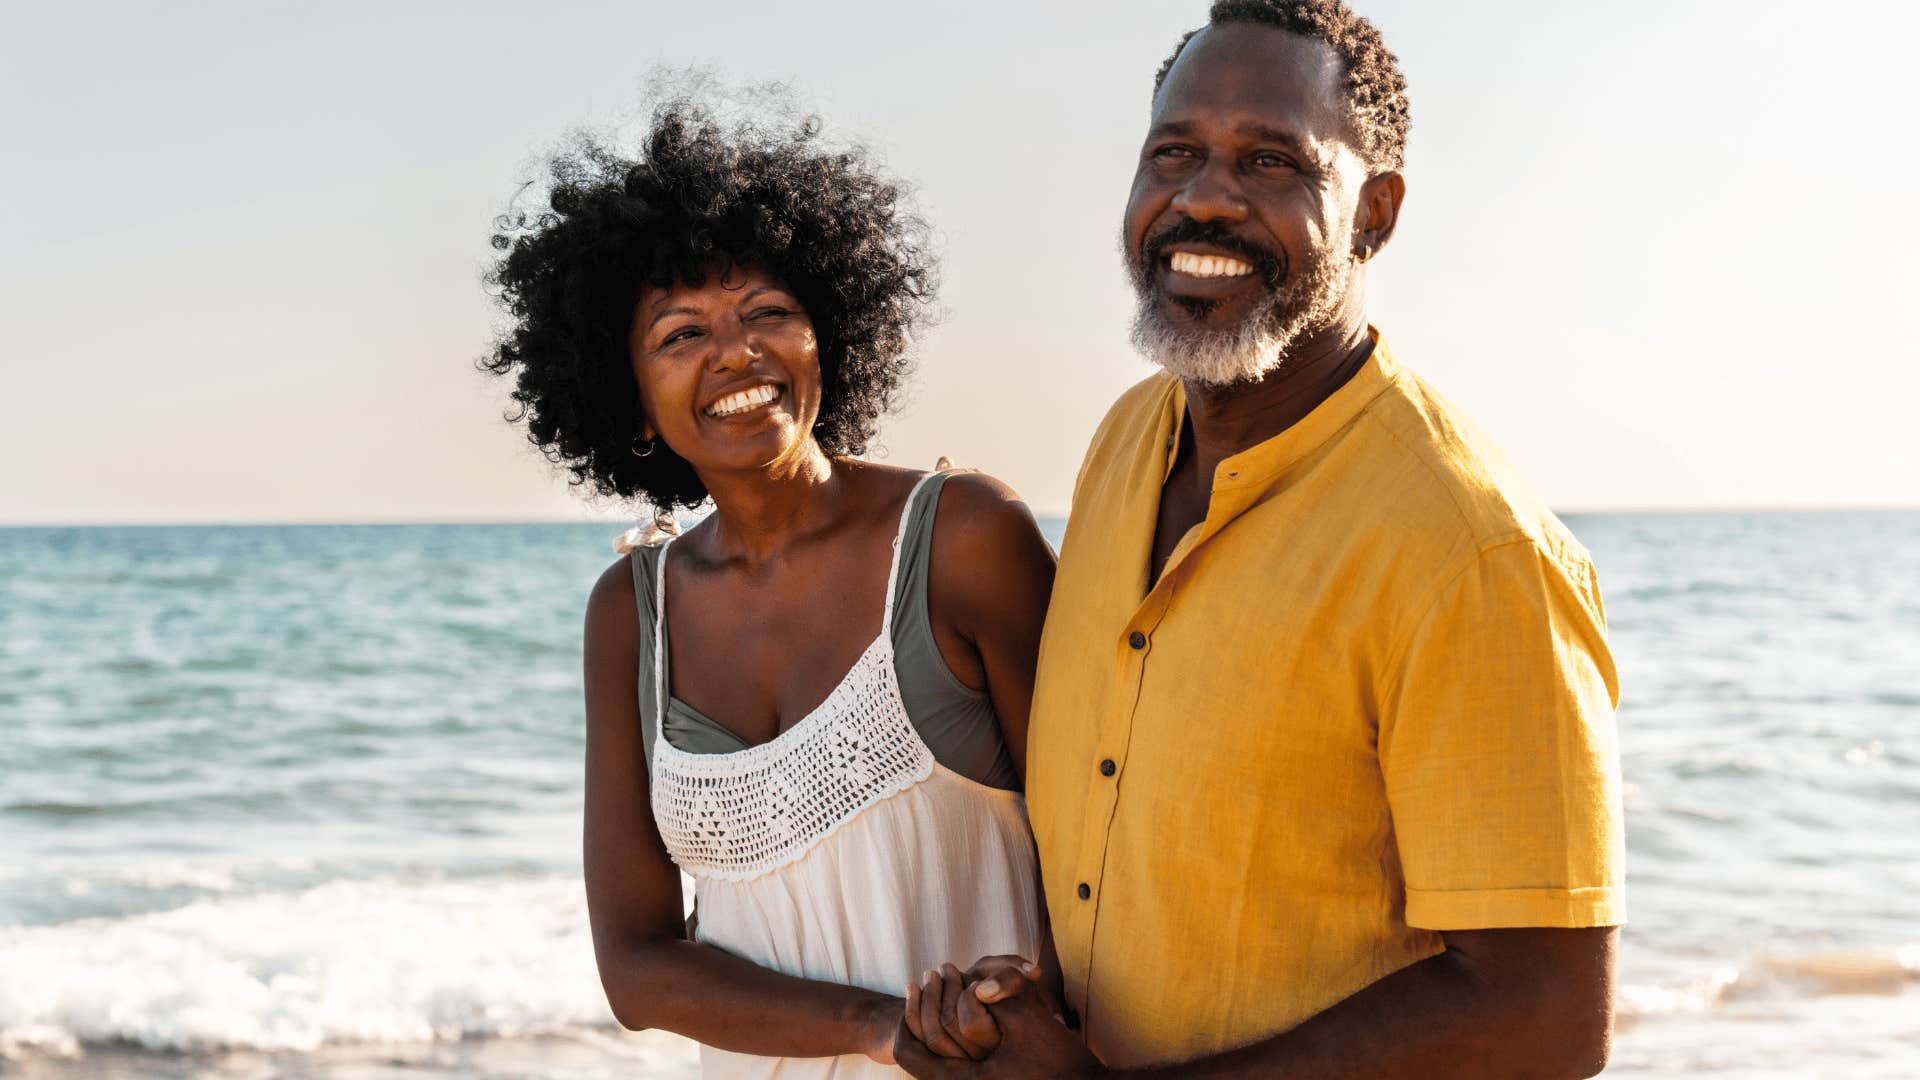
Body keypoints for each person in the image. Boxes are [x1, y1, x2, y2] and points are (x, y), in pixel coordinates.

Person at [894, 2, 1625, 1077]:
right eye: (1173, 153)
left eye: (1272, 160)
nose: (1202, 198)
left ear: (1375, 212)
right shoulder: (1128, 438)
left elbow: (1543, 1017)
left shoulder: (1473, 554)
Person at [482, 97, 1059, 1078]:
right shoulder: (632, 612)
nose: (736, 352)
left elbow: (1103, 854)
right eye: (680, 334)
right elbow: (637, 968)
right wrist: (879, 1025)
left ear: (827, 331)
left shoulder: (965, 537)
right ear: (629, 396)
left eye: (769, 313)